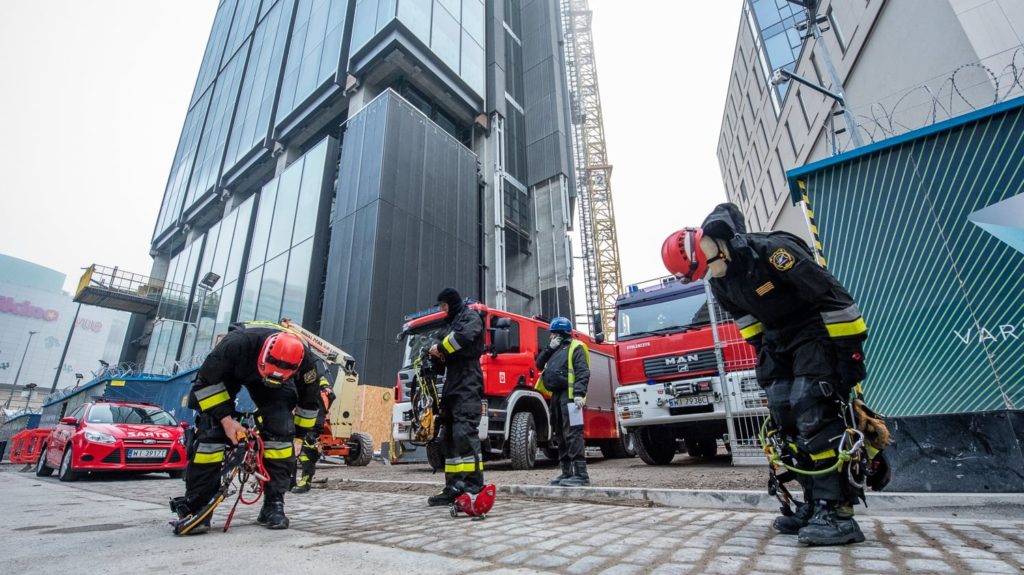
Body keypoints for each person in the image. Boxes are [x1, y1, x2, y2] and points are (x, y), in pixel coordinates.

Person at [661, 203, 875, 546]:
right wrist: (766, 360)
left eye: (709, 266)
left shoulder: (773, 252)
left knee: (812, 410)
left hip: (814, 331)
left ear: (713, 244)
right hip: (778, 341)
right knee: (784, 414)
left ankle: (838, 512)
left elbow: (836, 301)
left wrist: (849, 356)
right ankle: (814, 501)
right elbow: (749, 326)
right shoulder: (721, 284)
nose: (711, 275)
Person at [171, 322, 326, 533]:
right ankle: (199, 506)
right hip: (232, 371)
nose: (271, 379)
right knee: (211, 434)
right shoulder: (234, 345)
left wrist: (298, 438)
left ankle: (273, 505)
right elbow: (204, 384)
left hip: (278, 383)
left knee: (280, 433)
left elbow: (309, 405)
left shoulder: (307, 363)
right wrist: (226, 420)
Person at [426, 287, 486, 507]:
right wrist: (434, 356)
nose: (442, 311)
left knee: (464, 434)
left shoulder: (470, 317)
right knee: (449, 439)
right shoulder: (449, 325)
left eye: (443, 306)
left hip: (468, 382)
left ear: (452, 303)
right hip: (452, 385)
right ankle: (454, 487)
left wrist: (440, 348)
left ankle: (473, 488)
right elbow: (443, 355)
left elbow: (462, 338)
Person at [535, 317, 591, 487]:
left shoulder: (577, 347)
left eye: (552, 334)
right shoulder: (554, 349)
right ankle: (566, 473)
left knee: (573, 433)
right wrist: (547, 349)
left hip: (572, 397)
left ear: (560, 334)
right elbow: (538, 364)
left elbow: (582, 372)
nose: (550, 337)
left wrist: (580, 393)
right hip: (557, 397)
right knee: (560, 434)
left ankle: (581, 475)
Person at [292, 374, 336, 494]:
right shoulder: (295, 379)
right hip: (298, 421)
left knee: (306, 451)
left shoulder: (314, 378)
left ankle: (306, 481)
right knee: (291, 451)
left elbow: (330, 395)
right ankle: (290, 481)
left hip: (312, 422)